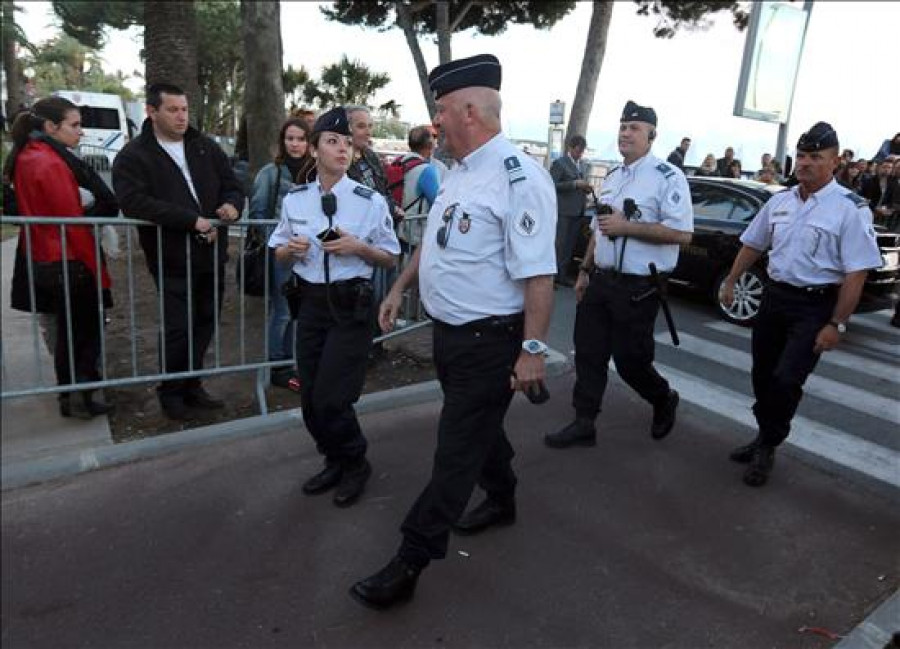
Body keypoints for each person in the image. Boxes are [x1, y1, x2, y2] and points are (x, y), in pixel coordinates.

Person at [351, 53, 557, 609]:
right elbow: (433, 242)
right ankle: (504, 495)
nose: (433, 122)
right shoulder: (461, 172)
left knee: (454, 453)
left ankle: (410, 560)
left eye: (440, 111)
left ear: (469, 110)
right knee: (479, 429)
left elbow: (539, 275)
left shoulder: (520, 179)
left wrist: (532, 350)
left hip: (490, 342)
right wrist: (398, 290)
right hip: (449, 335)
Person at [720, 122, 882, 487]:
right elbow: (754, 244)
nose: (805, 163)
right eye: (803, 155)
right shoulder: (780, 201)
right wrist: (731, 280)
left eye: (816, 157)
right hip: (775, 298)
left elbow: (856, 272)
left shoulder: (850, 209)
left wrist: (837, 323)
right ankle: (764, 435)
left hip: (815, 306)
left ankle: (768, 445)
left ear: (835, 161)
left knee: (786, 378)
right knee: (762, 374)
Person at [267, 106, 400, 507]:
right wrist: (288, 250)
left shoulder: (369, 202)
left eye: (346, 143)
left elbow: (391, 256)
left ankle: (355, 461)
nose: (342, 149)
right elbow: (277, 249)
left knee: (332, 397)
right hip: (310, 304)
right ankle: (334, 459)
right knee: (310, 398)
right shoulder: (297, 199)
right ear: (314, 149)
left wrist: (358, 247)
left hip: (350, 306)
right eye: (331, 142)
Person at [543, 100, 693, 450]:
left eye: (634, 128)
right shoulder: (612, 176)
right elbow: (600, 227)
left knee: (630, 362)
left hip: (639, 286)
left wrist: (630, 227)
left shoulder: (668, 177)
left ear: (652, 136)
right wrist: (584, 270)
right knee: (588, 352)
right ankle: (584, 421)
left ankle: (662, 398)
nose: (625, 133)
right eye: (623, 127)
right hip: (602, 281)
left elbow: (683, 234)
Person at [112, 83, 244, 421]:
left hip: (211, 255)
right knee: (177, 327)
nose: (181, 116)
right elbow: (134, 201)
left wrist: (231, 205)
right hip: (171, 257)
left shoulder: (204, 147)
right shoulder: (134, 155)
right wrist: (191, 221)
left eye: (184, 109)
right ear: (152, 112)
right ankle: (170, 392)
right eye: (173, 109)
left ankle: (191, 384)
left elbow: (232, 183)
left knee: (205, 322)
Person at [5, 96, 118, 419]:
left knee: (71, 333)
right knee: (81, 334)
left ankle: (73, 397)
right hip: (68, 260)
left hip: (49, 258)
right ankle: (80, 397)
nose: (81, 132)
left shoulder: (29, 156)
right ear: (51, 127)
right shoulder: (47, 161)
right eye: (75, 125)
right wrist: (97, 270)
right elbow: (72, 222)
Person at [248, 117, 316, 390]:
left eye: (301, 138)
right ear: (282, 141)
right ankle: (278, 365)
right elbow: (258, 214)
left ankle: (292, 362)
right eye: (290, 138)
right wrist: (278, 246)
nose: (295, 144)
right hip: (284, 255)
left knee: (299, 312)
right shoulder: (271, 172)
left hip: (311, 255)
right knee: (283, 311)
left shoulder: (315, 171)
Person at [550, 134, 591, 285]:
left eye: (582, 151)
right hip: (563, 211)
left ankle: (562, 275)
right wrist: (574, 184)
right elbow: (552, 185)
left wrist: (585, 189)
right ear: (571, 148)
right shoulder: (560, 164)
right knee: (559, 245)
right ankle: (551, 277)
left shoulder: (582, 164)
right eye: (578, 150)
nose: (580, 154)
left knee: (569, 246)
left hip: (578, 211)